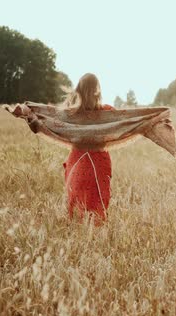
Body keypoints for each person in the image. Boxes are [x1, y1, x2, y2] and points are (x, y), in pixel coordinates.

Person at [61, 73, 113, 224]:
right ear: (98, 90)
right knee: (97, 203)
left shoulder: (71, 114)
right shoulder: (108, 112)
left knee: (76, 201)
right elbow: (132, 120)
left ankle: (81, 237)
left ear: (79, 90)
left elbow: (44, 117)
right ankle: (93, 237)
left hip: (80, 161)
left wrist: (26, 111)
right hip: (96, 161)